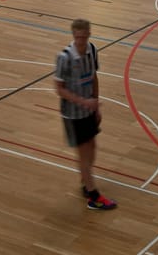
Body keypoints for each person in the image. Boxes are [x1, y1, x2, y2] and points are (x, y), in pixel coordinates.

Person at [54, 19, 117, 210]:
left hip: (88, 110)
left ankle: (85, 180)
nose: (81, 40)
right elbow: (59, 89)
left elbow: (93, 77)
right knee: (83, 153)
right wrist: (84, 102)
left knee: (93, 147)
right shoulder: (64, 57)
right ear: (73, 35)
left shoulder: (92, 50)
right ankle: (94, 196)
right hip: (73, 114)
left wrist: (95, 105)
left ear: (89, 34)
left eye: (84, 36)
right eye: (77, 36)